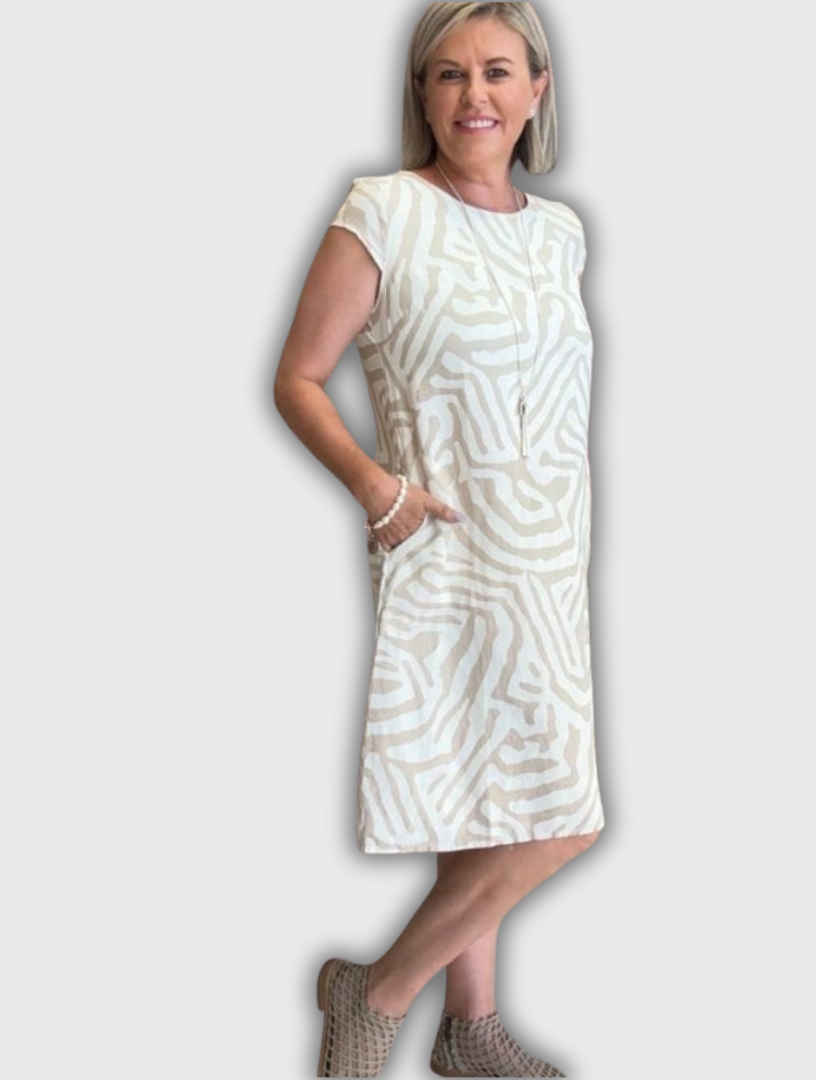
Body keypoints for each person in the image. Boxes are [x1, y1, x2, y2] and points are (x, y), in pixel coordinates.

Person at [273, 3, 606, 1075]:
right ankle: (376, 997)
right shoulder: (384, 211)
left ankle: (470, 1029)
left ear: (538, 89)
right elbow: (299, 378)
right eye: (450, 73)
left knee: (506, 799)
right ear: (421, 93)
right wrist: (376, 489)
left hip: (548, 558)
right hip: (446, 551)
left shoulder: (560, 232)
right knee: (551, 816)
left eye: (499, 71)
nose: (475, 95)